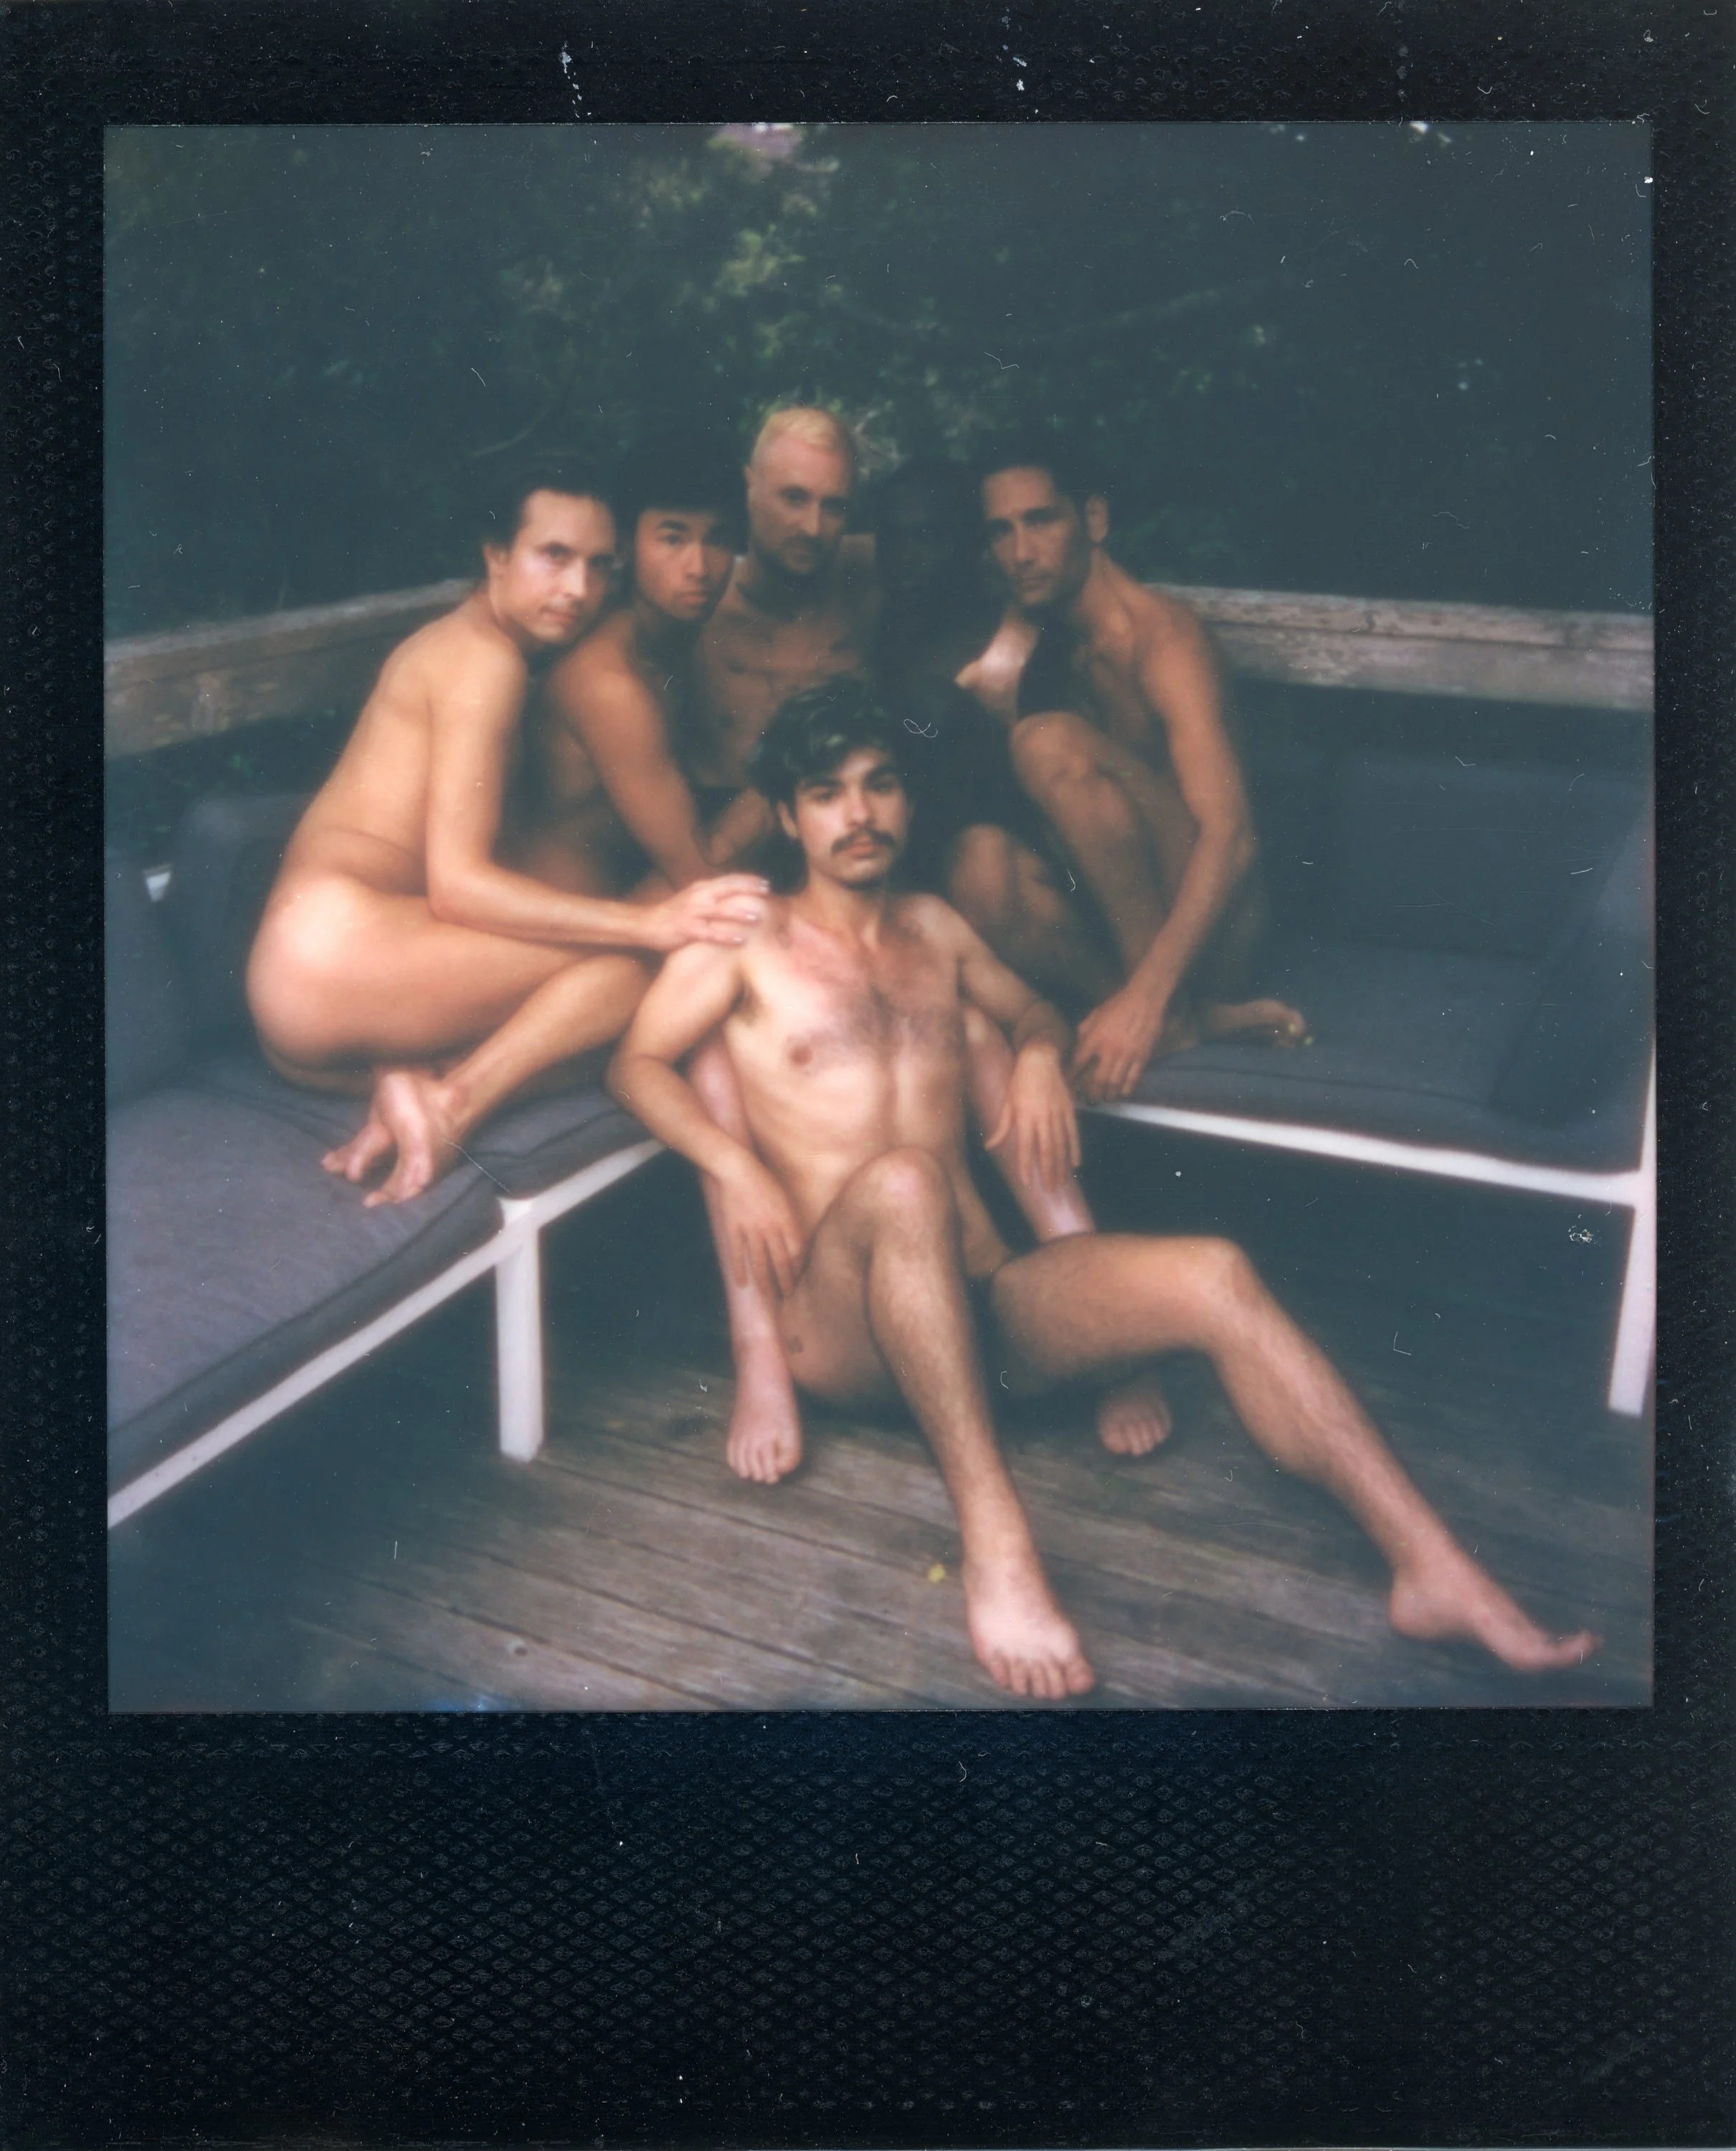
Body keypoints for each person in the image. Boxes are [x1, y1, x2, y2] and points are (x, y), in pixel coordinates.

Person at [610, 678, 1599, 1701]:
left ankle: (1429, 1566)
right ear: (787, 815)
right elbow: (635, 1064)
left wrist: (1038, 1053)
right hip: (846, 1326)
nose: (858, 814)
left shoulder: (934, 930)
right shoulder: (748, 942)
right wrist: (732, 1165)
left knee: (1216, 1274)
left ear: (907, 799)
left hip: (986, 1309)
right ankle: (998, 1550)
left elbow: (1035, 1009)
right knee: (904, 1182)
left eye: (879, 785)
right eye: (826, 792)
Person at [246, 457, 768, 1206]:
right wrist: (645, 922)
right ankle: (457, 1099)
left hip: (309, 980)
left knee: (607, 987)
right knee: (640, 972)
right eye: (553, 556)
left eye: (598, 566)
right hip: (336, 948)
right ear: (495, 556)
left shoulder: (468, 645)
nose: (579, 590)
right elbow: (460, 887)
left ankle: (403, 1077)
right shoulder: (483, 665)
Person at [949, 438, 1306, 1103]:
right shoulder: (1053, 637)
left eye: (1041, 520)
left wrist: (1145, 998)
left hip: (1220, 921)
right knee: (976, 869)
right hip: (1139, 928)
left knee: (1047, 742)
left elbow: (1231, 840)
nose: (1020, 551)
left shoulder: (1162, 641)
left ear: (1094, 521)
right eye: (1000, 531)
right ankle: (1183, 1020)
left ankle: (1155, 1012)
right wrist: (1009, 636)